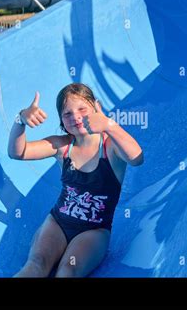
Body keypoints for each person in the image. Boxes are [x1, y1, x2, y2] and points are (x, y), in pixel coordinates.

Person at [8, 83, 143, 277]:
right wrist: (20, 119)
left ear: (96, 108)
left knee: (67, 271)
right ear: (62, 121)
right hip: (58, 222)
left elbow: (137, 158)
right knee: (36, 263)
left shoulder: (111, 146)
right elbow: (17, 153)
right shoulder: (62, 146)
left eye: (82, 109)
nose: (76, 117)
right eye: (67, 114)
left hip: (94, 231)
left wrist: (109, 125)